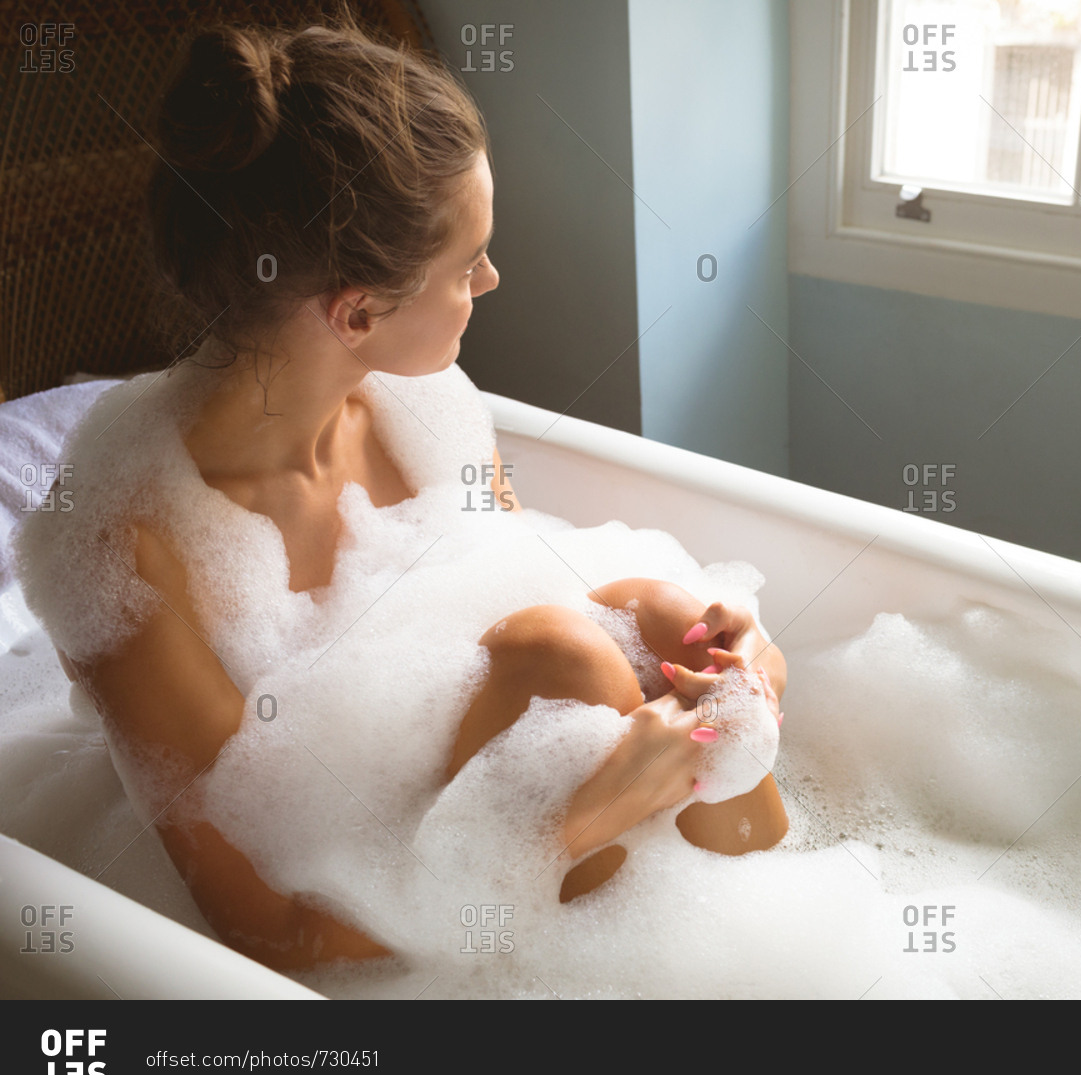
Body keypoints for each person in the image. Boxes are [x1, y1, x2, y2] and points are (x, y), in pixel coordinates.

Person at [41, 18, 788, 971]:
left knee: (664, 616)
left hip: (457, 827)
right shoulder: (123, 544)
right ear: (357, 311)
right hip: (360, 910)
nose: (491, 278)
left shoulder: (423, 407)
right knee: (561, 652)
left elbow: (526, 595)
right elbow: (266, 934)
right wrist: (576, 818)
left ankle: (771, 957)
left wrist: (730, 652)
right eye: (467, 263)